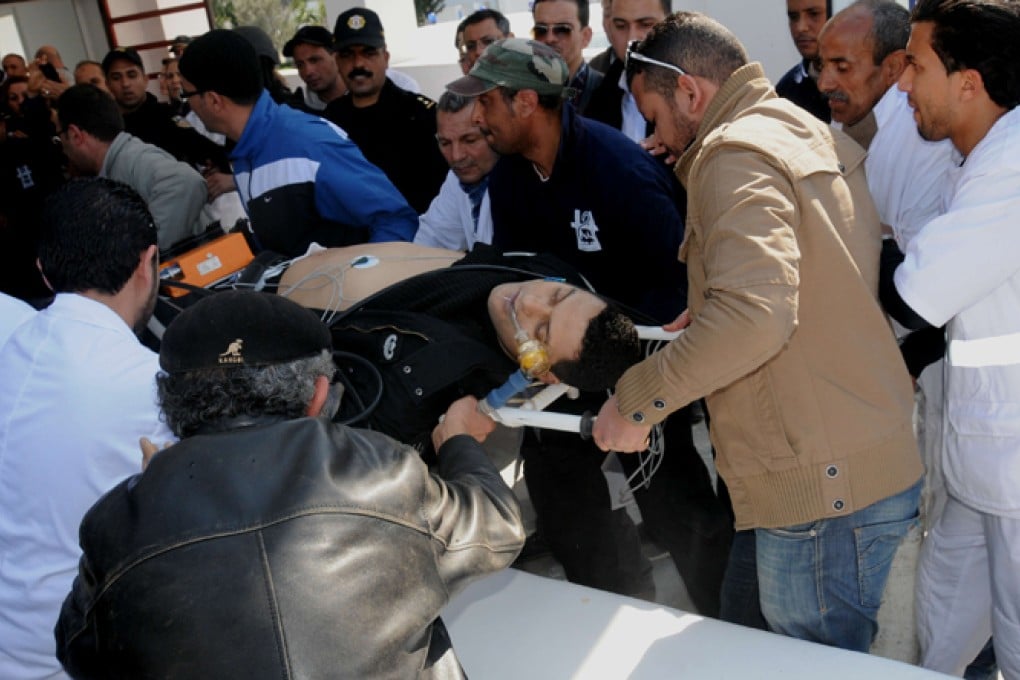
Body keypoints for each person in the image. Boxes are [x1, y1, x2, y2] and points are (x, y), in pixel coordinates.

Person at [603, 13, 923, 652]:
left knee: (809, 666)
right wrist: (717, 296)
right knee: (747, 645)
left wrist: (636, 401)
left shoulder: (730, 156)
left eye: (654, 117)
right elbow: (820, 273)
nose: (652, 138)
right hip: (817, 475)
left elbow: (756, 319)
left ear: (691, 93)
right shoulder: (791, 123)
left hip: (817, 493)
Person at [55, 290, 526, 679]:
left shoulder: (117, 522)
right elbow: (501, 527)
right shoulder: (383, 471)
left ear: (172, 404)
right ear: (319, 392)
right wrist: (458, 441)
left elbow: (77, 649)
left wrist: (152, 494)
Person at [449, 39, 733, 614]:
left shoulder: (622, 173)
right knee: (561, 502)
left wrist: (631, 388)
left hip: (642, 363)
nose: (476, 118)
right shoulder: (509, 178)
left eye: (487, 104)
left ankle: (731, 625)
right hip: (554, 367)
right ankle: (613, 610)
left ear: (526, 101)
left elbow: (679, 294)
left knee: (673, 505)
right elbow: (513, 277)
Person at [884, 1, 1020, 676]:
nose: (902, 83)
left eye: (916, 64)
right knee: (943, 625)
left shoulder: (1014, 167)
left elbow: (916, 295)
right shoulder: (984, 158)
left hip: (1016, 467)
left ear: (969, 82)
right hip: (984, 460)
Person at [0, 178, 173, 679]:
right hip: (77, 658)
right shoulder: (152, 386)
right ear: (149, 263)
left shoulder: (13, 347)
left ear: (44, 271)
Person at [178, 29, 417, 256]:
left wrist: (362, 284)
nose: (187, 105)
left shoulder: (308, 144)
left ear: (213, 100)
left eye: (186, 95)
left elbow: (395, 219)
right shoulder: (245, 153)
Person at [55, 84, 208, 253]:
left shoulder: (133, 159)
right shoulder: (120, 161)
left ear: (75, 135)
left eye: (59, 137)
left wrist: (142, 258)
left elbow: (186, 183)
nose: (62, 148)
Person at [325, 8, 448, 214]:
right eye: (347, 55)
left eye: (368, 53)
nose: (358, 64)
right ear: (337, 62)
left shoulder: (422, 115)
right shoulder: (330, 121)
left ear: (386, 57)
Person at [414, 91, 499, 251]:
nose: (456, 156)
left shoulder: (524, 177)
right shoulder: (457, 178)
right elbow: (428, 245)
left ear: (495, 133)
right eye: (445, 143)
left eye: (470, 140)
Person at [584, 0, 670, 140]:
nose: (632, 38)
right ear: (609, 28)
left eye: (645, 25)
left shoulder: (693, 96)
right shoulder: (598, 97)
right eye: (621, 26)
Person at [532, 0, 603, 113]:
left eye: (563, 29)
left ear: (585, 36)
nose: (550, 39)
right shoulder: (521, 92)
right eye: (541, 30)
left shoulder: (609, 92)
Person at [775, 0, 831, 122]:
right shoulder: (786, 91)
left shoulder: (872, 82)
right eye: (793, 17)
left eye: (814, 14)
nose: (801, 27)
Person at [283, 25, 346, 109]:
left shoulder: (364, 97)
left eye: (314, 60)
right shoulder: (296, 108)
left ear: (336, 57)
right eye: (300, 65)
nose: (308, 72)